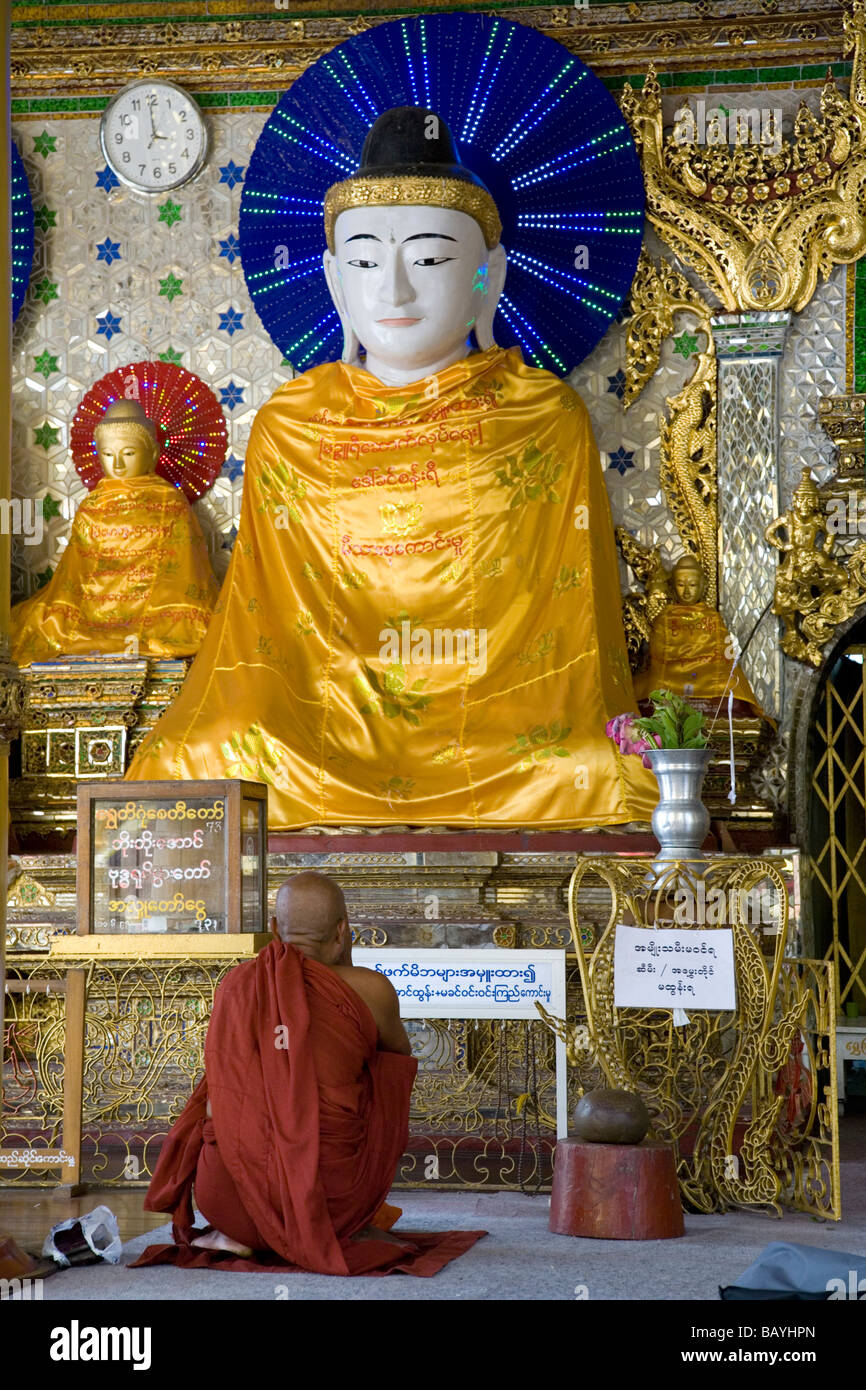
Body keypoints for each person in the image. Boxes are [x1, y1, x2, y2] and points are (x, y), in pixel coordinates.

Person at [126, 106, 657, 830]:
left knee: (596, 767)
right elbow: (262, 629)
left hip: (498, 724)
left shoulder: (543, 417)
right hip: (323, 719)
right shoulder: (292, 424)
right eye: (368, 262)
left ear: (487, 275)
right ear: (336, 281)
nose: (396, 290)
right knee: (209, 753)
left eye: (432, 259)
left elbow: (569, 643)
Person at [132, 871, 483, 1276]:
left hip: (227, 1201)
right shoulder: (371, 990)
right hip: (331, 1202)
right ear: (343, 931)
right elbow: (396, 1066)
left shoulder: (237, 984)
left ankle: (240, 1234)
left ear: (275, 929)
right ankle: (346, 1225)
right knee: (383, 1076)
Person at [11, 400, 217, 664]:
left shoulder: (171, 502)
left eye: (129, 453)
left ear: (152, 454)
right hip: (94, 608)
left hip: (156, 608)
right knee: (41, 619)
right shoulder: (92, 505)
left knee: (192, 623)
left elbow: (183, 575)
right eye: (108, 454)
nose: (118, 464)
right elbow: (76, 574)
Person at [634, 553, 763, 716]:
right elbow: (658, 655)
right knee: (649, 689)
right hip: (672, 677)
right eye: (681, 584)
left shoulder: (712, 617)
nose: (686, 591)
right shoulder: (665, 618)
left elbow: (725, 657)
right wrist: (684, 659)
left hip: (707, 677)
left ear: (702, 586)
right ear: (673, 586)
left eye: (693, 585)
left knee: (733, 694)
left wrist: (704, 663)